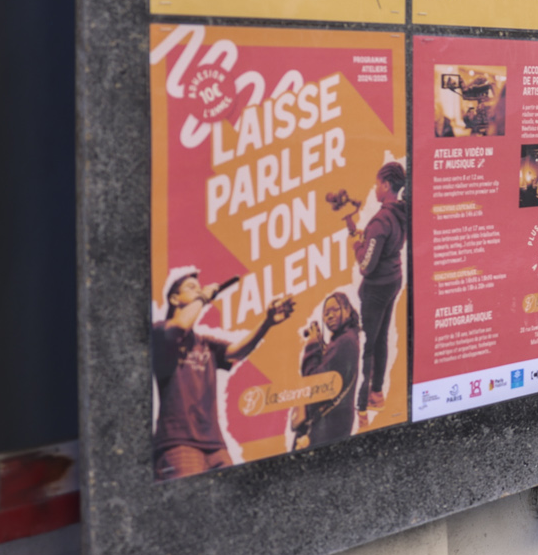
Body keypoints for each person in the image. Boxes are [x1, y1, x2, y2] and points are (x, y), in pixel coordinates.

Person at [151, 272, 294, 481]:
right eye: (191, 287)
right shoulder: (160, 332)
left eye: (199, 288)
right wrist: (204, 297)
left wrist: (267, 322)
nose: (198, 290)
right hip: (178, 442)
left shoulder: (203, 343)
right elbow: (180, 326)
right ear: (174, 299)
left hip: (215, 444)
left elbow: (236, 351)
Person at [353, 162, 409, 413]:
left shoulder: (381, 221)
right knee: (382, 337)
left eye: (377, 184)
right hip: (394, 279)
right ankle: (377, 393)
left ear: (386, 185)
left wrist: (357, 245)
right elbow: (381, 248)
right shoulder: (401, 212)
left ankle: (363, 399)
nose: (375, 188)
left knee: (367, 342)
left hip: (377, 287)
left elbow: (366, 266)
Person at [292, 290, 362, 451]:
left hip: (328, 424)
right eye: (326, 313)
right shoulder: (347, 339)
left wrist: (312, 346)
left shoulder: (344, 342)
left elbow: (312, 382)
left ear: (347, 309)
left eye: (334, 310)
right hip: (334, 421)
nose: (329, 316)